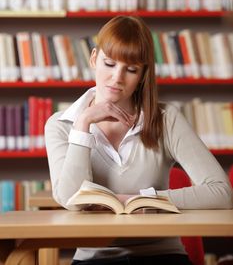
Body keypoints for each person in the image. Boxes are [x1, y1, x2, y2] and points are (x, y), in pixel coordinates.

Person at [45, 15, 233, 265]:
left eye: (131, 69)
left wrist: (146, 200)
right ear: (93, 58)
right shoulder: (61, 125)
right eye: (109, 63)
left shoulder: (165, 119)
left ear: (143, 74)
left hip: (162, 255)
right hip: (94, 258)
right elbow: (70, 199)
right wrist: (83, 125)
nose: (117, 78)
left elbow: (221, 192)